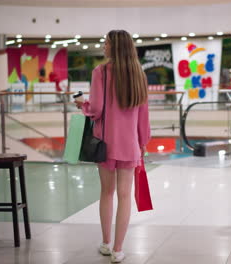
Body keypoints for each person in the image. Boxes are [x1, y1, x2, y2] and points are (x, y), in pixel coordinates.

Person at [75, 30, 151, 263]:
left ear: (115, 47)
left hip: (105, 143)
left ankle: (106, 243)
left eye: (107, 43)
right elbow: (143, 114)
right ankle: (118, 250)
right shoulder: (139, 74)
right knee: (125, 195)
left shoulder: (101, 72)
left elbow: (96, 109)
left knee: (107, 193)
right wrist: (143, 141)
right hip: (130, 144)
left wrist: (82, 105)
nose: (104, 46)